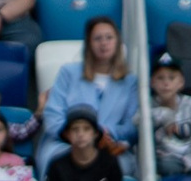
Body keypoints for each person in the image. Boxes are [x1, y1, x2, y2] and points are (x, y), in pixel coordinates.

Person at [35, 17, 137, 167]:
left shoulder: (130, 81)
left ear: (117, 42)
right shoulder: (68, 72)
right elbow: (53, 116)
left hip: (108, 147)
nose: (104, 43)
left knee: (119, 166)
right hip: (65, 144)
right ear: (89, 43)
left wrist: (105, 133)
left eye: (109, 38)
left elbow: (132, 126)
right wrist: (75, 135)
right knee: (65, 163)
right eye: (98, 38)